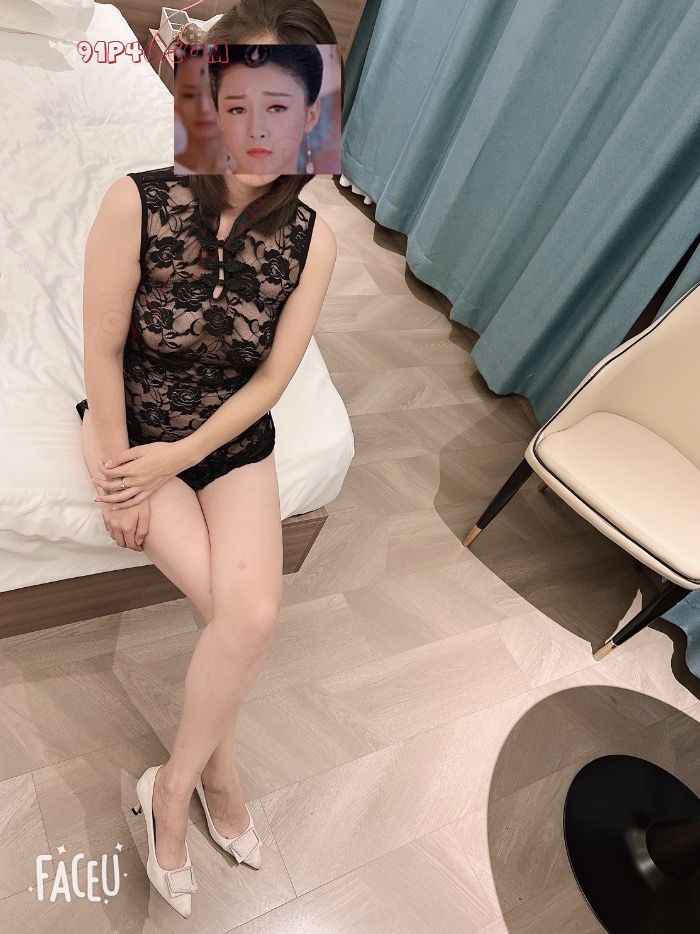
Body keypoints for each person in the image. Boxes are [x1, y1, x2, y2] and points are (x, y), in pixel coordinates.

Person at [74, 0, 339, 918]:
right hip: (131, 425)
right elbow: (102, 352)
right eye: (237, 105)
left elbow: (271, 381)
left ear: (311, 116)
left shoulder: (313, 242)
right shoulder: (136, 201)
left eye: (281, 107)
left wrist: (180, 458)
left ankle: (173, 788)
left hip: (227, 441)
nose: (258, 131)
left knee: (252, 612)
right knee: (234, 614)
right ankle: (220, 781)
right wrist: (123, 470)